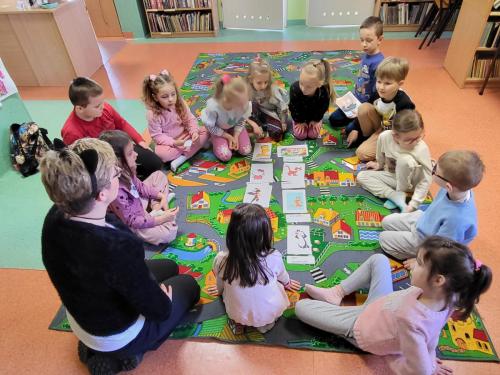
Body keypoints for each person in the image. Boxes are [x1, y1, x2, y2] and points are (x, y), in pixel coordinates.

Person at [40, 138, 200, 375]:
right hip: (118, 335)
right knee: (188, 286)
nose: (120, 174)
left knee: (167, 267)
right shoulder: (117, 247)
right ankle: (125, 353)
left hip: (84, 318)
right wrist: (162, 302)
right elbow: (158, 310)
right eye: (116, 172)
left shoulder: (54, 217)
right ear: (102, 194)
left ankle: (95, 347)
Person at [297, 237, 492, 375]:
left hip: (362, 328)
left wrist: (427, 366)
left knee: (301, 307)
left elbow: (420, 370)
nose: (413, 266)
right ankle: (336, 293)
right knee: (379, 260)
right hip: (381, 307)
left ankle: (340, 312)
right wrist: (431, 357)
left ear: (438, 280)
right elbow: (433, 335)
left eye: (420, 264)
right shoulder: (448, 299)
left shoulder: (410, 319)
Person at [379, 150, 485, 265]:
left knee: (383, 238)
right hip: (424, 220)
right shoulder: (459, 188)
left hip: (426, 241)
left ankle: (415, 255)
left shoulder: (455, 220)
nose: (431, 169)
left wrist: (420, 261)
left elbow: (442, 249)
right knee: (386, 222)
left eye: (434, 170)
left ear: (448, 186)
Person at [210, 203, 300, 333]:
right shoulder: (274, 256)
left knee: (228, 290)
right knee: (276, 287)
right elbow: (282, 275)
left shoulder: (222, 259)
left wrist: (219, 291)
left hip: (237, 314)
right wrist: (287, 283)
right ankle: (265, 326)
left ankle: (241, 322)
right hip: (270, 313)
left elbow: (220, 281)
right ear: (266, 233)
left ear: (231, 233)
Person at [61, 77, 162, 180]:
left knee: (155, 164)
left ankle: (133, 179)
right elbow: (84, 164)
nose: (102, 107)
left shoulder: (105, 108)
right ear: (80, 108)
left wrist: (140, 141)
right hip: (103, 165)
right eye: (97, 106)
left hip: (121, 149)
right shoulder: (71, 132)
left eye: (102, 102)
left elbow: (122, 124)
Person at [100, 130, 179, 246]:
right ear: (117, 161)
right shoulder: (115, 190)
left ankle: (156, 207)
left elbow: (140, 187)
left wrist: (161, 196)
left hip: (137, 203)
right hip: (133, 222)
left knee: (159, 176)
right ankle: (156, 213)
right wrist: (162, 219)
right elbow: (133, 221)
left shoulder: (126, 169)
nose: (136, 154)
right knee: (169, 233)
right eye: (131, 153)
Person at [356, 109, 432, 212]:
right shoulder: (384, 137)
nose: (416, 142)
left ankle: (401, 192)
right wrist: (379, 164)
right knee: (361, 176)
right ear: (395, 136)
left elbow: (426, 179)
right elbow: (380, 153)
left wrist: (414, 203)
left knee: (404, 160)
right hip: (393, 177)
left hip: (412, 183)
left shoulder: (421, 148)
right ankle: (395, 195)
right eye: (409, 140)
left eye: (419, 137)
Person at [347, 57, 415, 161]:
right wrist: (356, 128)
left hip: (392, 133)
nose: (381, 87)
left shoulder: (404, 103)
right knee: (364, 107)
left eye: (387, 83)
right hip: (382, 124)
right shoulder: (378, 93)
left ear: (400, 84)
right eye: (379, 81)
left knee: (361, 153)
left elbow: (404, 130)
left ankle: (375, 145)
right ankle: (368, 138)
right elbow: (367, 108)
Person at [143, 69, 209, 172]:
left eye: (173, 94)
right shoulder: (152, 114)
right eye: (164, 97)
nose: (170, 99)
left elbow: (190, 119)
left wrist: (194, 132)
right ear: (155, 97)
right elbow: (157, 136)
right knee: (162, 154)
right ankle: (190, 152)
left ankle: (183, 157)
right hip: (170, 143)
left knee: (206, 131)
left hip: (185, 135)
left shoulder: (180, 103)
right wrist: (174, 142)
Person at [329, 16, 384, 130]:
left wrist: (363, 109)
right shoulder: (366, 55)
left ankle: (357, 121)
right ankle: (353, 119)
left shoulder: (379, 63)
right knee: (333, 119)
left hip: (367, 104)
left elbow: (379, 92)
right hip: (356, 98)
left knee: (349, 130)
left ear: (380, 39)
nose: (364, 44)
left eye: (368, 40)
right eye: (361, 40)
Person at [201, 75, 256, 162]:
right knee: (225, 155)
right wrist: (228, 137)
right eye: (240, 105)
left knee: (246, 150)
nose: (243, 107)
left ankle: (231, 136)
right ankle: (212, 139)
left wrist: (236, 136)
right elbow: (210, 126)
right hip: (218, 129)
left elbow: (241, 120)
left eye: (245, 102)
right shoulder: (213, 107)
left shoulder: (245, 104)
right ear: (227, 101)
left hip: (234, 126)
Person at [246, 55, 289, 142]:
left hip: (270, 114)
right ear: (251, 80)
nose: (263, 86)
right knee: (251, 105)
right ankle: (259, 128)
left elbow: (281, 107)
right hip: (255, 116)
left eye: (266, 82)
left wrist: (283, 122)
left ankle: (264, 129)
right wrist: (253, 124)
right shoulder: (247, 89)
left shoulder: (272, 90)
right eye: (259, 83)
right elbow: (241, 109)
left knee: (277, 133)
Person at [288, 58, 334, 140]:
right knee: (300, 135)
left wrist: (316, 120)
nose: (303, 89)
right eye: (301, 83)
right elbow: (293, 107)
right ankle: (297, 121)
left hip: (315, 115)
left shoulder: (323, 91)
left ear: (319, 84)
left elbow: (323, 108)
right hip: (299, 115)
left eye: (308, 87)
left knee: (313, 135)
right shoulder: (295, 88)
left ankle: (316, 121)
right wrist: (300, 121)